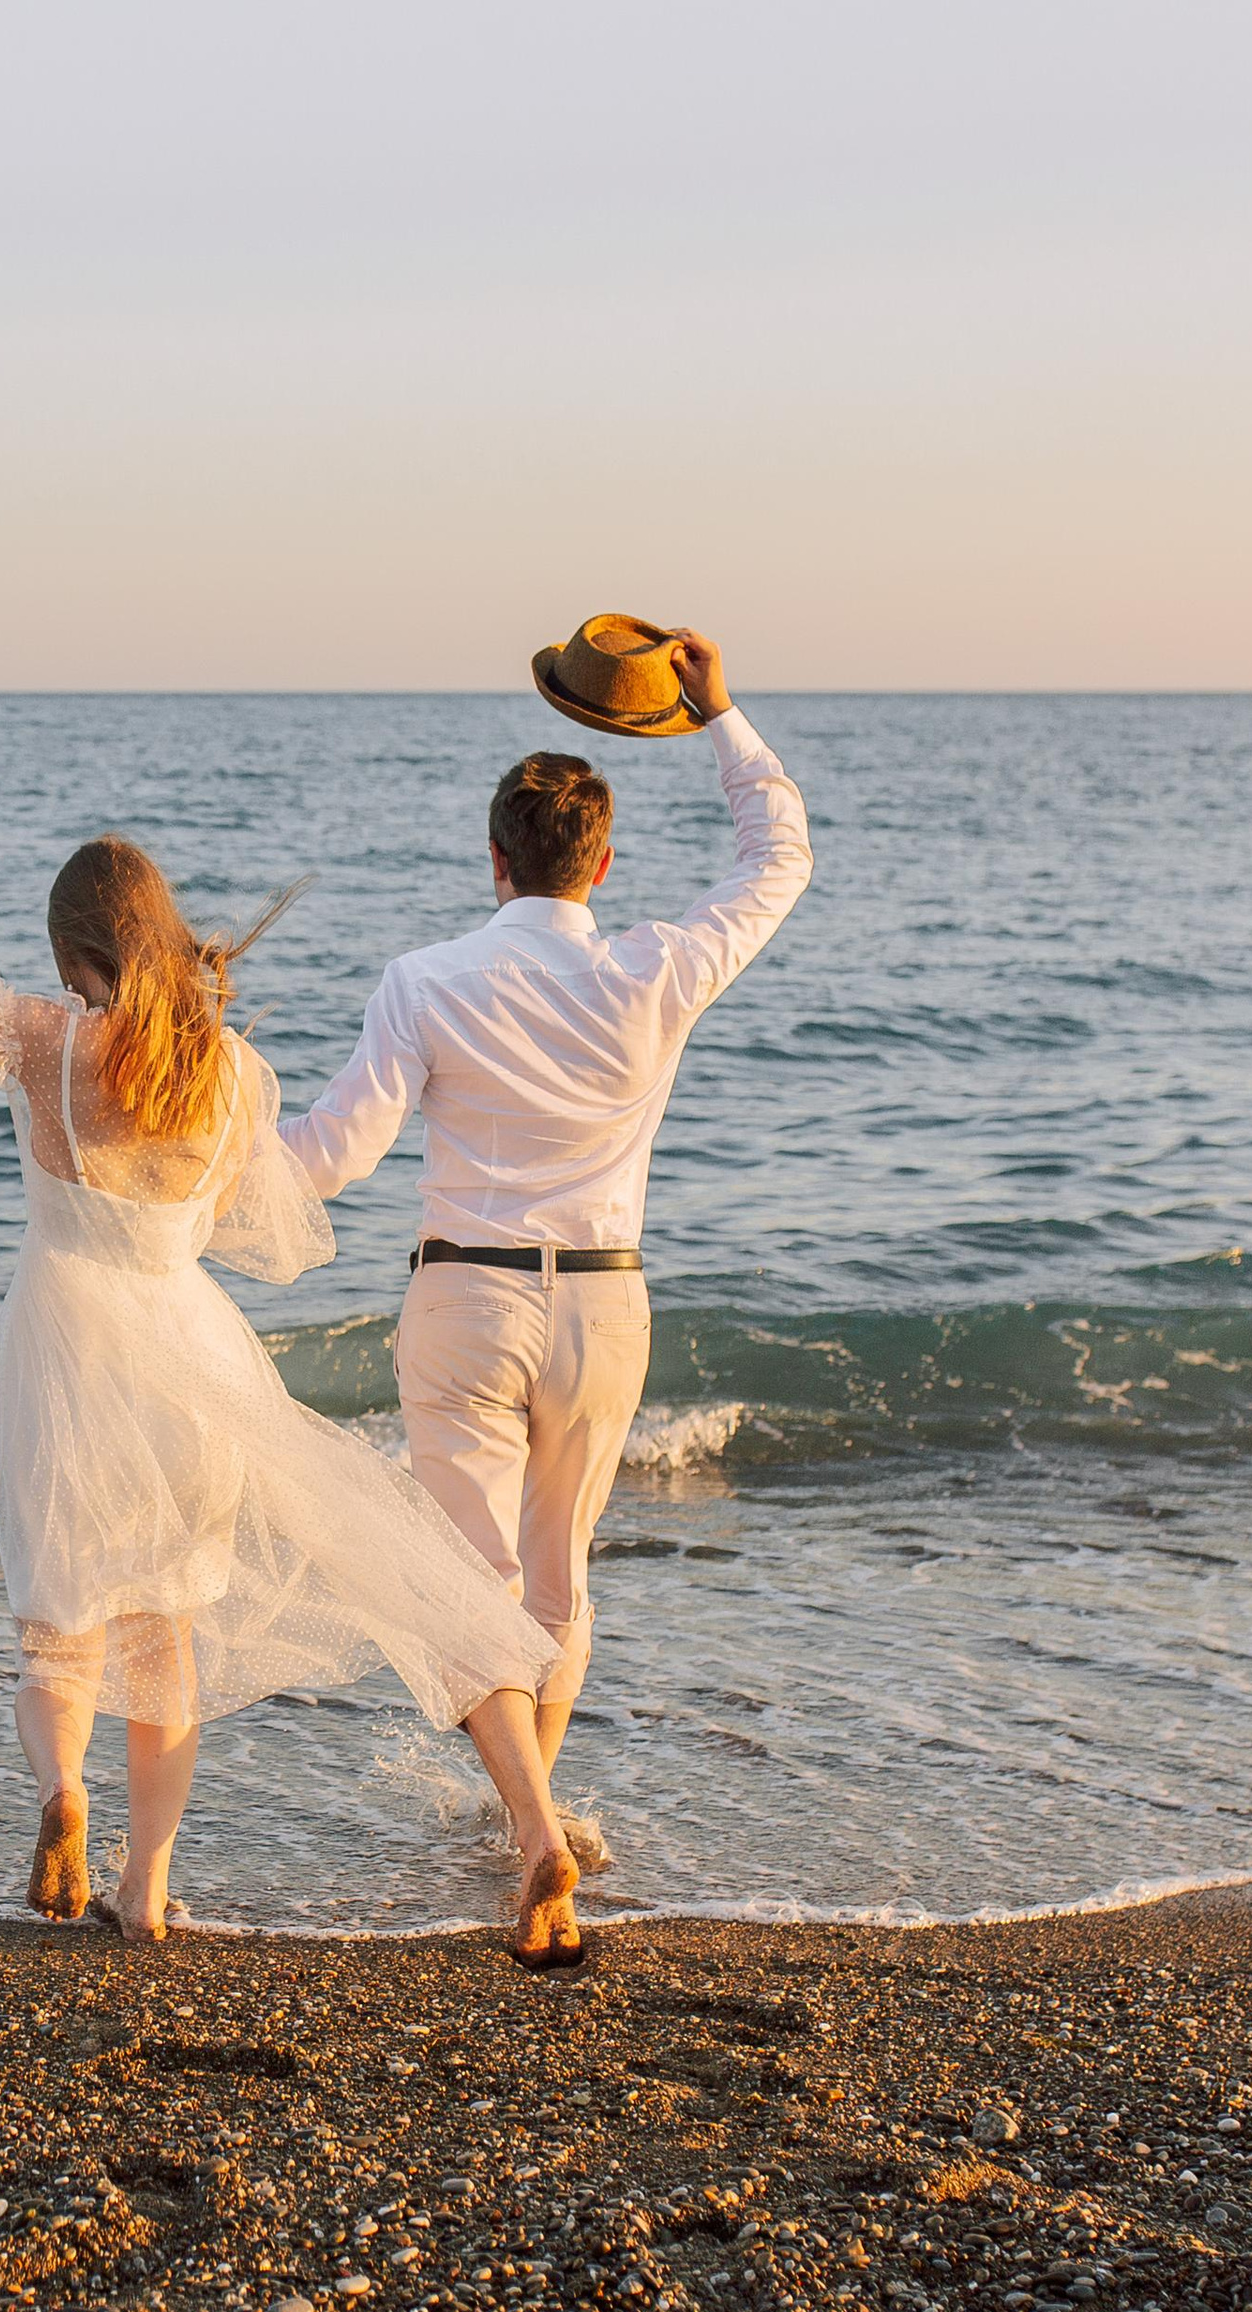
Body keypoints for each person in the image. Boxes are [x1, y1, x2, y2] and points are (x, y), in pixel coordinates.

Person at [0, 799, 586, 1961]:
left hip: (61, 1343)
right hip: (189, 1350)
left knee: (58, 1628)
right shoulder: (229, 1073)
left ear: (77, 954)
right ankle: (160, 1884)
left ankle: (61, 1791)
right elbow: (269, 1232)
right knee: (180, 1628)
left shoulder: (40, 1041)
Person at [280, 631, 812, 1831]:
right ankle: (536, 1812)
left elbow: (334, 1153)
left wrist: (209, 1159)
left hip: (466, 1302)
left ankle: (526, 1828)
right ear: (604, 865)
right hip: (603, 1309)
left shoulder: (423, 980)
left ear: (493, 861)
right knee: (557, 1581)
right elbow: (779, 857)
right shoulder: (657, 970)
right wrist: (718, 714)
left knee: (469, 1588)